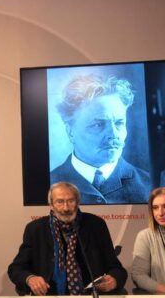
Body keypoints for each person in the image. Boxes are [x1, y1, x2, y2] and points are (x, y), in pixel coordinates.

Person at [8, 182, 127, 296]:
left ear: (78, 202)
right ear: (51, 204)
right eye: (60, 202)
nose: (66, 208)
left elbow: (116, 269)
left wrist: (114, 280)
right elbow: (16, 269)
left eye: (71, 201)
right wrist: (30, 279)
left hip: (91, 297)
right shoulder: (35, 229)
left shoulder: (95, 225)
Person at [50, 74, 150, 204]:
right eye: (98, 125)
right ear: (70, 132)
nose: (113, 134)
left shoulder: (149, 186)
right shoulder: (47, 185)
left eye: (119, 123)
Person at [132, 187, 165, 294]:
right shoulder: (145, 236)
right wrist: (162, 289)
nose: (160, 213)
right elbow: (138, 275)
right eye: (155, 208)